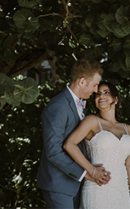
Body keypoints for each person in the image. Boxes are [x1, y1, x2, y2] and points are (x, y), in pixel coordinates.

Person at [38, 60, 111, 209]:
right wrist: (87, 172)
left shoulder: (80, 105)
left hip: (75, 184)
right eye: (95, 85)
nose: (96, 90)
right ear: (82, 82)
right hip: (58, 184)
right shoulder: (58, 106)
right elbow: (53, 152)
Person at [64, 81, 130, 209]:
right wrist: (91, 170)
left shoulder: (127, 129)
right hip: (97, 189)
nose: (101, 96)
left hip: (122, 193)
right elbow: (69, 144)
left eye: (106, 92)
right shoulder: (92, 121)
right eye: (97, 94)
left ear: (116, 99)